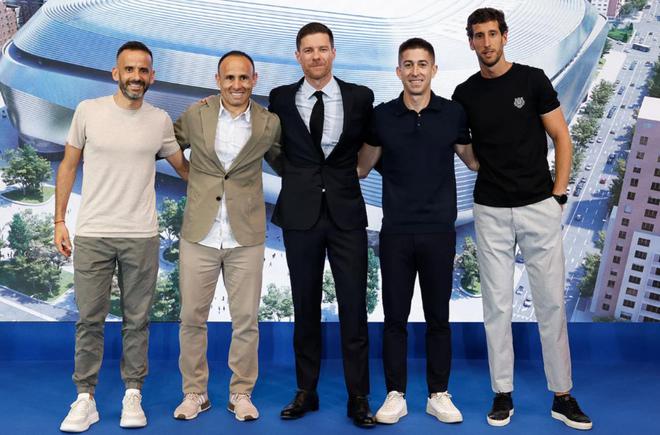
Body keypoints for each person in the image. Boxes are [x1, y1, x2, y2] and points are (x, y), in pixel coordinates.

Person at [451, 8, 592, 430]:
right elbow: (466, 150)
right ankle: (502, 393)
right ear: (471, 42)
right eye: (479, 36)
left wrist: (559, 194)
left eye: (492, 34)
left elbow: (561, 136)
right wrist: (480, 164)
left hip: (538, 206)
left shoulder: (532, 80)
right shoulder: (464, 93)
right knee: (497, 305)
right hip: (491, 210)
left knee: (550, 302)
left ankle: (562, 395)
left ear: (505, 36)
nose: (486, 43)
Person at [55, 41, 189, 432]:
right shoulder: (88, 111)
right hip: (93, 233)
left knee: (137, 321)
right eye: (129, 69)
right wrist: (59, 221)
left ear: (152, 77)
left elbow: (184, 169)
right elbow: (68, 165)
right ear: (116, 73)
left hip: (141, 235)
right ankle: (85, 399)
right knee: (89, 320)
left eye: (143, 70)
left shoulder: (159, 120)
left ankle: (133, 393)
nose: (136, 76)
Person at [358, 38, 477, 425]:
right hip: (395, 232)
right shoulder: (382, 116)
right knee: (395, 318)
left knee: (438, 318)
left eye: (422, 64)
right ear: (398, 71)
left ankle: (438, 394)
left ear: (434, 70)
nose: (415, 71)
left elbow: (473, 161)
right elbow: (362, 166)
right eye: (408, 64)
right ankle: (396, 394)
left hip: (439, 231)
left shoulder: (452, 113)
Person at [268, 22, 376, 427]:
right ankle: (306, 391)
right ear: (298, 56)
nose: (316, 56)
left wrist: (354, 174)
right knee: (305, 305)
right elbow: (273, 147)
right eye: (308, 50)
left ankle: (358, 396)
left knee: (354, 307)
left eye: (322, 49)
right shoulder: (280, 98)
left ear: (333, 52)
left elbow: (371, 144)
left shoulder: (360, 97)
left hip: (347, 214)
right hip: (301, 215)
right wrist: (298, 178)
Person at [171, 50, 282, 422]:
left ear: (254, 80)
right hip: (199, 233)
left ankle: (241, 393)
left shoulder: (269, 123)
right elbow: (169, 143)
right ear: (217, 80)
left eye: (243, 78)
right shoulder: (196, 114)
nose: (237, 85)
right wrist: (189, 175)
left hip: (245, 235)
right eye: (229, 78)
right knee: (191, 318)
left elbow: (285, 162)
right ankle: (195, 393)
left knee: (246, 320)